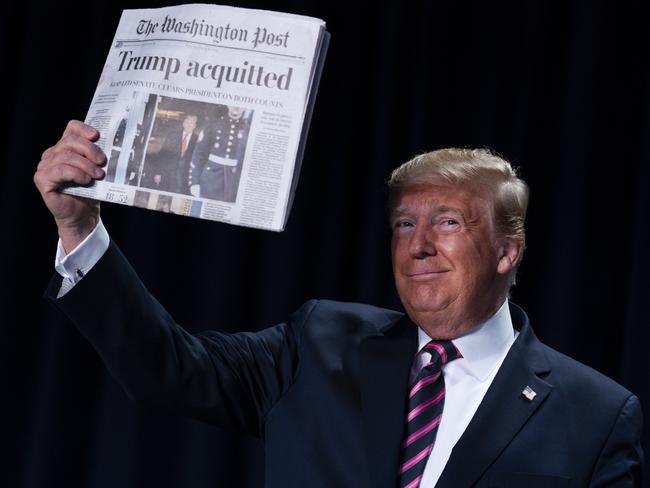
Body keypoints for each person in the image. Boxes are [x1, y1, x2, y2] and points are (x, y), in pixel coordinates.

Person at [34, 120, 644, 487]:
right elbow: (166, 370)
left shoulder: (596, 415)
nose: (419, 245)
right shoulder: (319, 341)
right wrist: (79, 227)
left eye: (449, 222)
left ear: (508, 252)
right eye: (404, 224)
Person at [189, 105, 251, 202]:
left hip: (233, 182)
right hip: (210, 179)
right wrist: (194, 182)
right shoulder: (213, 125)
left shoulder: (248, 130)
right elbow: (199, 155)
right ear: (228, 104)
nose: (237, 106)